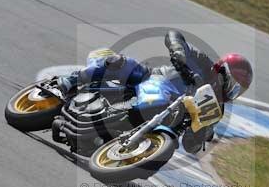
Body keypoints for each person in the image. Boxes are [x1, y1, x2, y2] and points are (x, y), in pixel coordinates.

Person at [57, 30, 253, 152]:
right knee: (121, 63)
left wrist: (201, 133)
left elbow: (190, 146)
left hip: (166, 118)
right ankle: (72, 80)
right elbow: (174, 36)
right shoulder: (204, 64)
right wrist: (178, 52)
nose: (232, 91)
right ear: (223, 71)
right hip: (151, 80)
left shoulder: (215, 110)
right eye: (233, 84)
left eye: (238, 90)